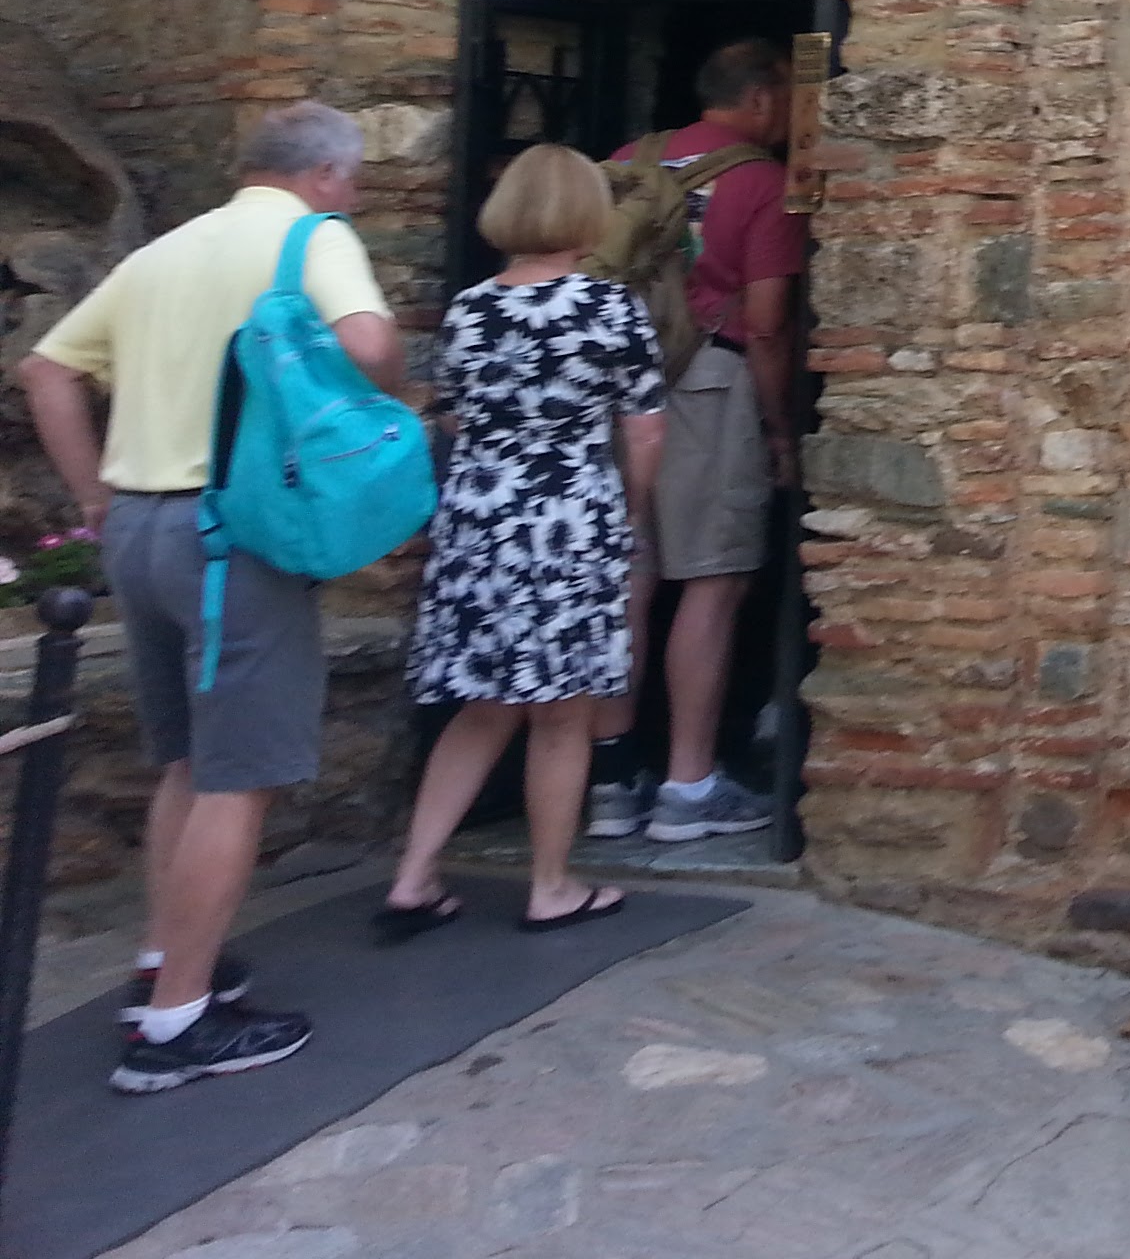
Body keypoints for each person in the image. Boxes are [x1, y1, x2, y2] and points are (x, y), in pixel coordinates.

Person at [12, 103, 404, 1091]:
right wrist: (379, 400)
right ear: (325, 174)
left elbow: (46, 369)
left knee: (187, 759)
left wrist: (96, 494)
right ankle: (175, 1026)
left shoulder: (165, 252)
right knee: (242, 774)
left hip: (140, 525)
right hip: (235, 535)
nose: (351, 197)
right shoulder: (312, 238)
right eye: (351, 181)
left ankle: (164, 960)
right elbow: (366, 343)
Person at [377, 146, 666, 939]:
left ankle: (412, 876)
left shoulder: (470, 309)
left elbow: (453, 416)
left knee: (483, 706)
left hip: (478, 519)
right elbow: (643, 434)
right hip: (568, 517)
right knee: (563, 712)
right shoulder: (611, 310)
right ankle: (550, 884)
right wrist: (632, 515)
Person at [597, 38, 802, 844]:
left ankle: (611, 780)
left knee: (632, 576)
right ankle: (689, 784)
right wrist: (780, 429)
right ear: (758, 99)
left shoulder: (624, 159)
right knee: (711, 582)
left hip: (611, 391)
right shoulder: (758, 179)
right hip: (709, 384)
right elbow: (767, 323)